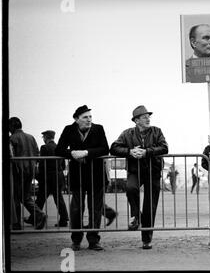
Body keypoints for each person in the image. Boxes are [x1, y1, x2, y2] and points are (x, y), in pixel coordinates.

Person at [110, 105, 168, 250]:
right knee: (130, 188)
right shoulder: (127, 133)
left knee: (150, 206)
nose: (148, 119)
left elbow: (165, 147)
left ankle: (146, 239)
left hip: (153, 172)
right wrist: (130, 152)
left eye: (149, 116)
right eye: (144, 117)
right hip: (135, 171)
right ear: (136, 120)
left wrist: (146, 152)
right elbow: (114, 148)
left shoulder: (157, 131)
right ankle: (136, 216)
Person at [55, 105, 109, 251]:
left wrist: (85, 152)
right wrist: (72, 153)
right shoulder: (69, 129)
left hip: (96, 176)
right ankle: (76, 240)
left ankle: (93, 240)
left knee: (95, 210)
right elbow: (59, 149)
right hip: (77, 177)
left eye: (90, 116)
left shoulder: (99, 128)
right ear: (76, 119)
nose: (89, 120)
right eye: (85, 117)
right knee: (76, 209)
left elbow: (105, 148)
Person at [9, 117, 47, 230]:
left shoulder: (12, 138)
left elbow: (11, 156)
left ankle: (17, 224)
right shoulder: (31, 137)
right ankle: (39, 215)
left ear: (12, 127)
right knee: (25, 196)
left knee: (16, 196)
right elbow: (37, 152)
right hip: (30, 171)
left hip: (18, 171)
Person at [32, 130, 69, 227]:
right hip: (59, 176)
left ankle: (34, 217)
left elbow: (42, 164)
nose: (43, 139)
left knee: (40, 198)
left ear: (46, 138)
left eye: (43, 137)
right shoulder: (60, 147)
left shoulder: (44, 148)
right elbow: (63, 166)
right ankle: (64, 219)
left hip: (47, 177)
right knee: (58, 198)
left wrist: (38, 176)